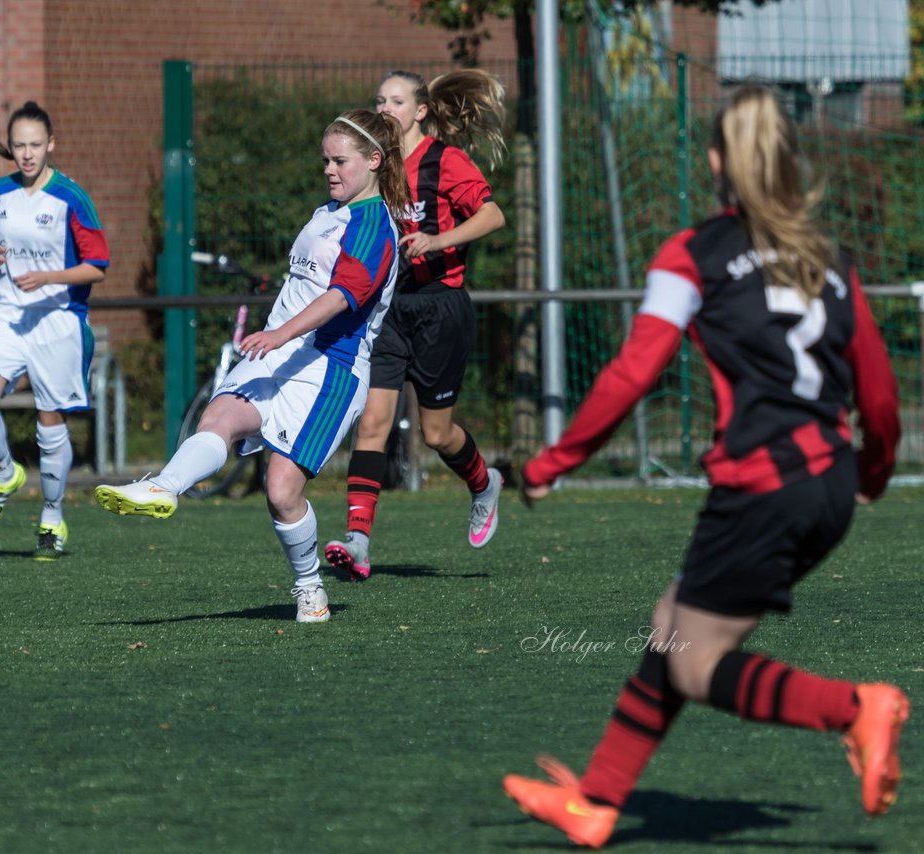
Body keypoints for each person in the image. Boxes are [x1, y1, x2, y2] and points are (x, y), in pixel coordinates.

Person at [502, 84, 906, 848]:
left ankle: (855, 709)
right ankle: (596, 802)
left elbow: (632, 372)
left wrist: (553, 461)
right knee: (673, 629)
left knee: (695, 662)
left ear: (717, 161)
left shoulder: (693, 254)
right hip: (829, 486)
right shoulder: (831, 257)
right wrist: (874, 473)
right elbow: (878, 392)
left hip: (761, 487)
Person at [94, 109, 409, 622]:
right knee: (220, 417)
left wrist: (282, 331)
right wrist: (280, 336)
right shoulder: (327, 210)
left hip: (330, 371)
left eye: (341, 161)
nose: (330, 170)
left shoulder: (375, 227)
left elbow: (342, 296)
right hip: (281, 352)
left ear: (374, 161)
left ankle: (309, 588)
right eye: (325, 160)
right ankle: (164, 486)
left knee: (282, 493)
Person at [325, 69, 508, 582]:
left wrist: (438, 241)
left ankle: (483, 482)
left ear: (420, 111)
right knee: (374, 423)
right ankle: (358, 540)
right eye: (379, 98)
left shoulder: (445, 160)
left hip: (440, 308)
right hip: (388, 309)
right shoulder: (376, 165)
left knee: (436, 433)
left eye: (397, 101)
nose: (385, 108)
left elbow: (492, 217)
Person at [0, 100, 110, 560]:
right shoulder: (1, 191)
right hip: (8, 315)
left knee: (51, 424)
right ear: (9, 147)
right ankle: (5, 472)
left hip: (58, 320)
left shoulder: (70, 197)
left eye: (35, 145)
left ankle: (51, 519)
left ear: (51, 144)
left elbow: (97, 267)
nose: (26, 154)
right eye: (19, 145)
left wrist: (49, 277)